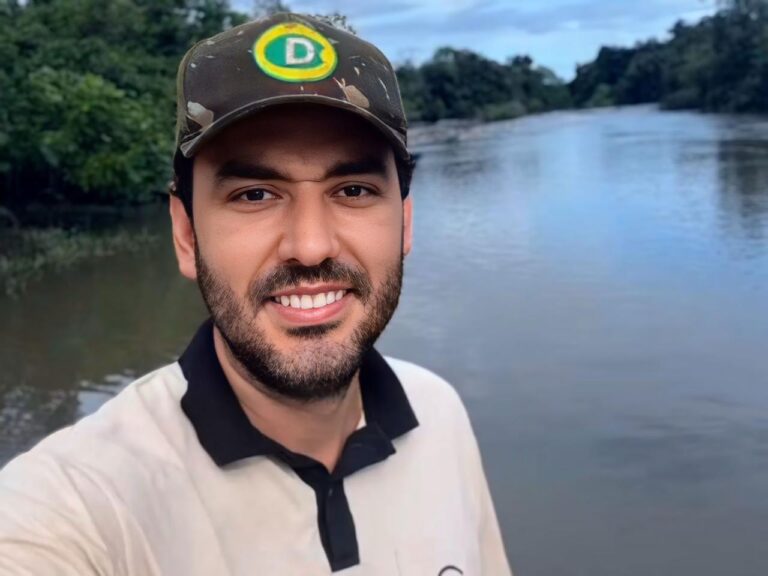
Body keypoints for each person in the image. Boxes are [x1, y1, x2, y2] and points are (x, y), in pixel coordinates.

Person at [0, 12, 512, 575]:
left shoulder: (438, 415)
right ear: (186, 234)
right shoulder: (82, 505)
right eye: (255, 195)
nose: (311, 247)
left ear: (405, 223)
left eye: (353, 189)